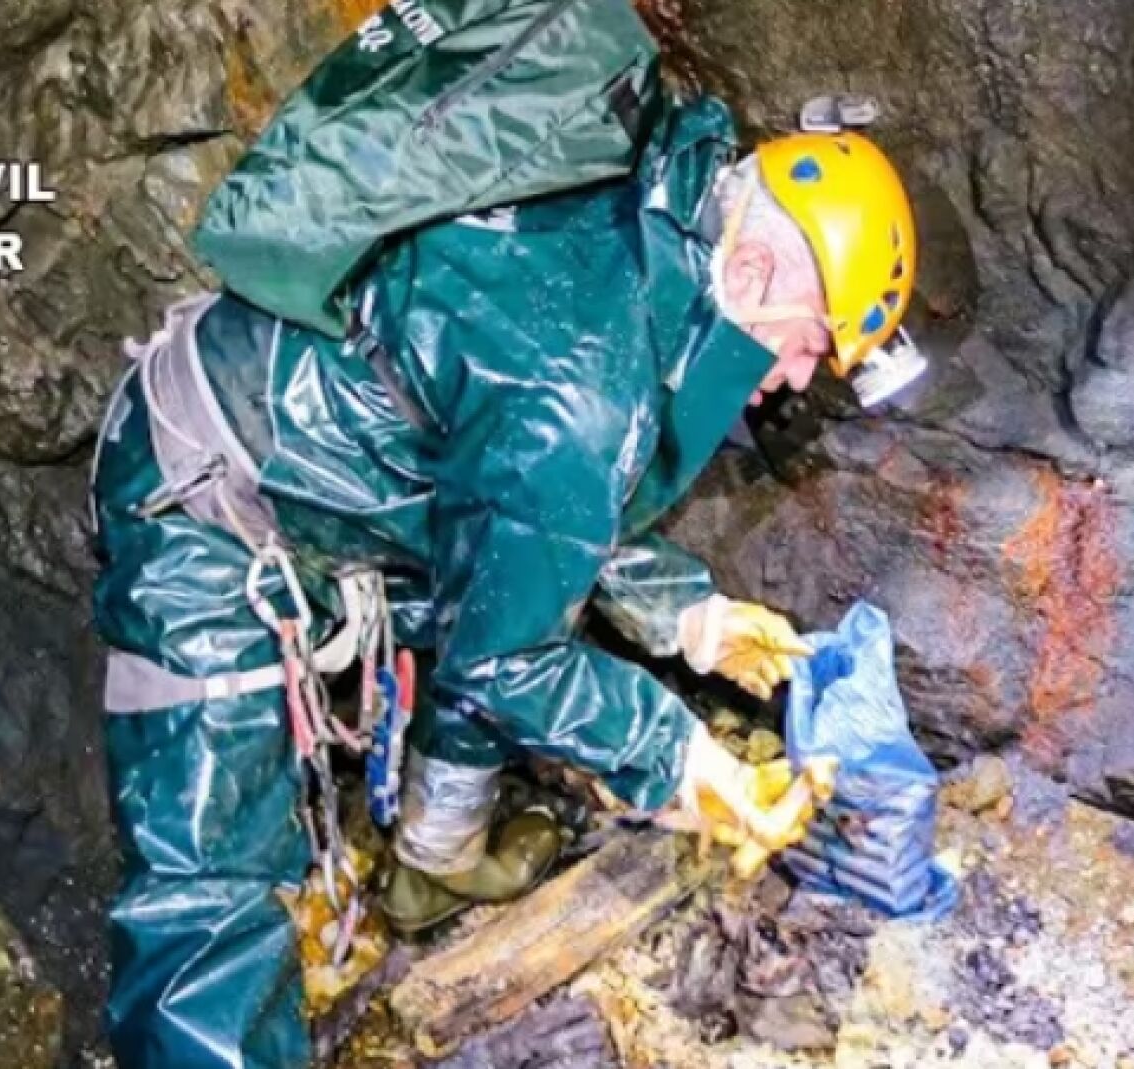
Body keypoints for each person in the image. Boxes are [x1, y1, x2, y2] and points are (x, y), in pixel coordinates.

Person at [87, 18, 921, 1069]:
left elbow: (538, 505)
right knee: (206, 892)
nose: (798, 378)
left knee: (513, 596)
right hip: (203, 498)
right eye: (810, 342)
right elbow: (509, 647)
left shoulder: (642, 215)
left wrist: (695, 619)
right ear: (752, 265)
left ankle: (432, 858)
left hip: (344, 469)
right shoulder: (586, 388)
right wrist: (679, 755)